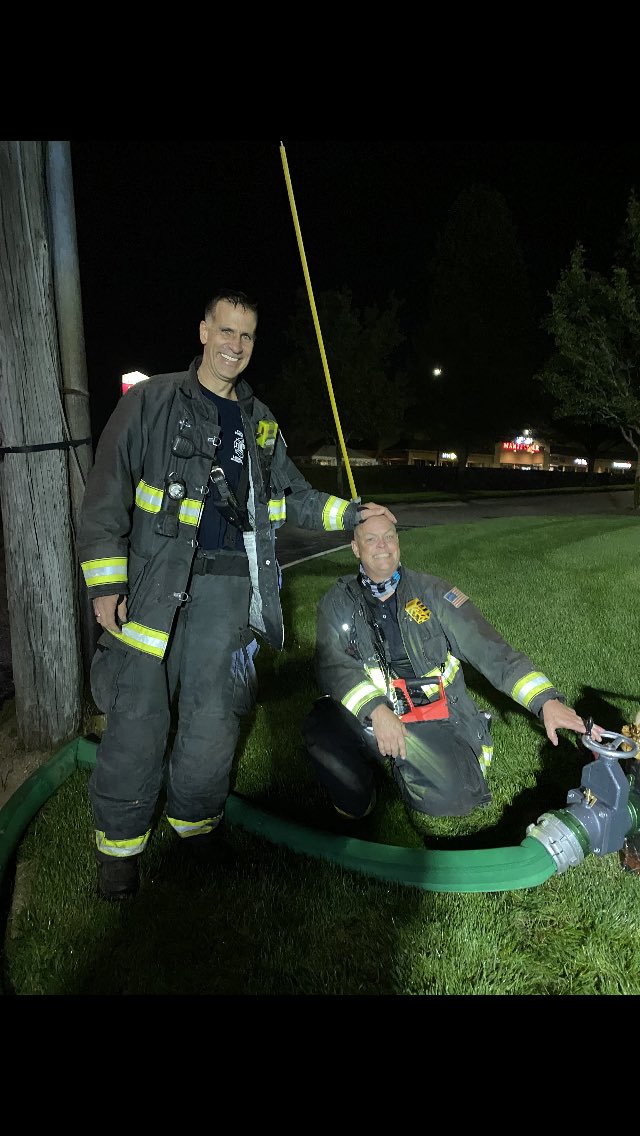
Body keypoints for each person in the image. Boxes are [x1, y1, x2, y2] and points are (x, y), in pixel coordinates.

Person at [77, 289, 396, 900]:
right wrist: (105, 583)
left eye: (246, 336)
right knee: (137, 715)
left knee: (214, 717)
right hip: (151, 586)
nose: (235, 345)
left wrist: (351, 513)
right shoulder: (151, 401)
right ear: (202, 331)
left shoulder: (260, 420)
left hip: (227, 589)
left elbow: (294, 496)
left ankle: (195, 826)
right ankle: (119, 847)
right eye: (225, 331)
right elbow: (105, 495)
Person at [303, 513, 603, 824]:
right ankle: (362, 799)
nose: (383, 546)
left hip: (432, 720)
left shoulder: (433, 593)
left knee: (455, 796)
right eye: (371, 539)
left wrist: (545, 701)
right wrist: (377, 711)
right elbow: (332, 665)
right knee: (322, 726)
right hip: (372, 716)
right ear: (355, 548)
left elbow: (489, 649)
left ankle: (407, 764)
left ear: (398, 542)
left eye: (390, 536)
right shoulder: (338, 602)